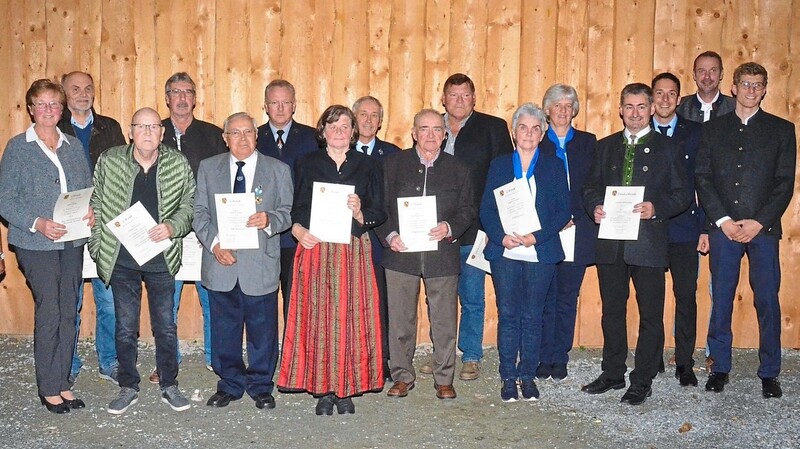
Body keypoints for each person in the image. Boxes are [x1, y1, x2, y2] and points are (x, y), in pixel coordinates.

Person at [581, 83, 690, 405]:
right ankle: (613, 372)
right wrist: (594, 207)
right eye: (629, 107)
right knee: (612, 311)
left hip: (649, 244)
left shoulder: (668, 148)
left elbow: (683, 194)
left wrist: (657, 208)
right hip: (611, 243)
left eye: (642, 107)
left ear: (653, 108)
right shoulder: (605, 147)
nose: (635, 113)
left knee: (650, 315)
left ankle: (642, 379)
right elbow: (589, 188)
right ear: (620, 109)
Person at [695, 62, 796, 399]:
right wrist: (723, 220)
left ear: (765, 89)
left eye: (758, 84)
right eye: (745, 84)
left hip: (763, 230)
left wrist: (759, 222)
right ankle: (719, 367)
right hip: (723, 229)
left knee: (767, 299)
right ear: (733, 87)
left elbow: (784, 183)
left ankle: (770, 372)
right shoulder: (712, 130)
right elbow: (703, 177)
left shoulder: (782, 129)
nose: (751, 90)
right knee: (721, 298)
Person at [277, 105, 385, 415]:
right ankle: (323, 388)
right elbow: (295, 207)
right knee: (318, 318)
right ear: (322, 131)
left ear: (354, 132)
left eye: (345, 125)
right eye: (332, 125)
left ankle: (346, 388)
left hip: (352, 249)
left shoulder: (368, 165)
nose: (339, 130)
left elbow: (380, 211)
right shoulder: (307, 163)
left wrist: (361, 211)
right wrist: (297, 230)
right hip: (316, 248)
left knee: (351, 318)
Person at [90, 107, 195, 414]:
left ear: (162, 133)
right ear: (130, 131)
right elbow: (95, 203)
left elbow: (189, 203)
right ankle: (127, 386)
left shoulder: (177, 163)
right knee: (124, 326)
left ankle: (169, 384)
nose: (148, 132)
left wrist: (173, 227)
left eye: (154, 127)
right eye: (141, 126)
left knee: (165, 325)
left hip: (161, 257)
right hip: (122, 258)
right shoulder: (109, 161)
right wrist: (99, 246)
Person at [0, 79, 94, 413]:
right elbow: (5, 199)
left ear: (62, 108)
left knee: (70, 310)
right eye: (41, 104)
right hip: (34, 242)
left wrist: (90, 210)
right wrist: (38, 222)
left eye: (54, 104)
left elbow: (86, 186)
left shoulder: (71, 145)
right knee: (50, 308)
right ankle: (47, 387)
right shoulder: (17, 147)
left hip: (71, 240)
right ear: (30, 109)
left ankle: (63, 381)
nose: (49, 110)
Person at [194, 112, 293, 410]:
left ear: (257, 135)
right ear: (225, 138)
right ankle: (230, 384)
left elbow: (288, 212)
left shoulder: (277, 169)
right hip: (221, 261)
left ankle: (261, 385)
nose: (242, 138)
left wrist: (268, 219)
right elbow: (199, 213)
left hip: (259, 264)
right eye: (234, 133)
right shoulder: (209, 169)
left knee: (263, 331)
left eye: (247, 132)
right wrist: (214, 244)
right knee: (224, 330)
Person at [377, 109, 475, 401]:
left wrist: (449, 226)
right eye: (424, 129)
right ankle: (402, 376)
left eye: (436, 129)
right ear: (413, 133)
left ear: (445, 134)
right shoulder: (392, 164)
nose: (430, 135)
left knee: (444, 320)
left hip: (442, 253)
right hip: (400, 254)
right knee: (400, 319)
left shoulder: (459, 168)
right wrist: (390, 235)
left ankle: (445, 378)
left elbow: (468, 209)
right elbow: (379, 207)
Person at [480, 103, 569, 402]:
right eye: (523, 127)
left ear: (543, 133)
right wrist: (500, 236)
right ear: (513, 132)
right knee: (508, 315)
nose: (529, 133)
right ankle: (507, 376)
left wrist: (536, 236)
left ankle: (527, 376)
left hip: (539, 251)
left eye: (535, 128)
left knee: (533, 317)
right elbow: (487, 209)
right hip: (505, 252)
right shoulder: (500, 165)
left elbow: (562, 211)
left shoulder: (554, 165)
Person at [440, 73, 514, 381]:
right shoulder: (431, 126)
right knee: (439, 295)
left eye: (465, 95)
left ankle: (470, 354)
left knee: (471, 294)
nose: (459, 101)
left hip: (477, 226)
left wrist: (493, 225)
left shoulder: (493, 128)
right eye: (453, 95)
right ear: (443, 99)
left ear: (474, 98)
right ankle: (441, 353)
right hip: (437, 229)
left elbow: (505, 179)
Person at [58, 70, 127, 385]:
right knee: (68, 301)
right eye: (75, 88)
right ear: (64, 93)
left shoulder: (109, 128)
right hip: (66, 227)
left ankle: (109, 361)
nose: (83, 93)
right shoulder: (53, 128)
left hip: (105, 225)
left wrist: (106, 211)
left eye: (87, 88)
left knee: (110, 301)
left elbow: (126, 174)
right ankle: (68, 363)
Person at [158, 72, 228, 380]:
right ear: (167, 98)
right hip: (166, 231)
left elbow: (223, 185)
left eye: (188, 92)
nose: (182, 98)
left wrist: (215, 230)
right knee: (165, 302)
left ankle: (217, 359)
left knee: (211, 298)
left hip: (204, 232)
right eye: (176, 92)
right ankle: (167, 363)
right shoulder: (152, 132)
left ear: (195, 98)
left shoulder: (212, 135)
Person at [536, 84, 598, 382]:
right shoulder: (535, 141)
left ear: (574, 110)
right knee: (544, 296)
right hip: (546, 232)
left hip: (579, 231)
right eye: (556, 105)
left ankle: (559, 356)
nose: (562, 110)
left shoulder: (588, 143)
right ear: (546, 110)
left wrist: (579, 214)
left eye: (568, 105)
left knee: (566, 297)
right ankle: (541, 356)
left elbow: (593, 185)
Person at [651, 72, 703, 387]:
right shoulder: (639, 132)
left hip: (685, 227)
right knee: (651, 297)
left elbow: (704, 182)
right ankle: (652, 357)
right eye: (660, 93)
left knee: (686, 296)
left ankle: (685, 362)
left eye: (672, 94)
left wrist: (707, 227)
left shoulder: (696, 133)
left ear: (679, 99)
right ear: (652, 98)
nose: (666, 99)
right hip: (650, 230)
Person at [255, 79, 317, 322]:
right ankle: (265, 356)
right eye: (274, 103)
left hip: (299, 233)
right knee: (262, 301)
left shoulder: (314, 139)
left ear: (294, 105)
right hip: (262, 232)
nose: (280, 108)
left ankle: (295, 356)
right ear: (265, 106)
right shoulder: (252, 138)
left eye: (285, 103)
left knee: (297, 300)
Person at [352, 95, 400, 380]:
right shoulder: (341, 151)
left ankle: (382, 359)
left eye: (374, 116)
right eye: (363, 115)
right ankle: (353, 356)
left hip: (384, 239)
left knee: (382, 301)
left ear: (381, 122)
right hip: (349, 239)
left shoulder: (393, 155)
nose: (369, 120)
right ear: (354, 119)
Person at [676, 51, 736, 123]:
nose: (707, 76)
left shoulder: (735, 108)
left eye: (713, 70)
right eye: (701, 71)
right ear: (694, 75)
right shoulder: (678, 108)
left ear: (721, 74)